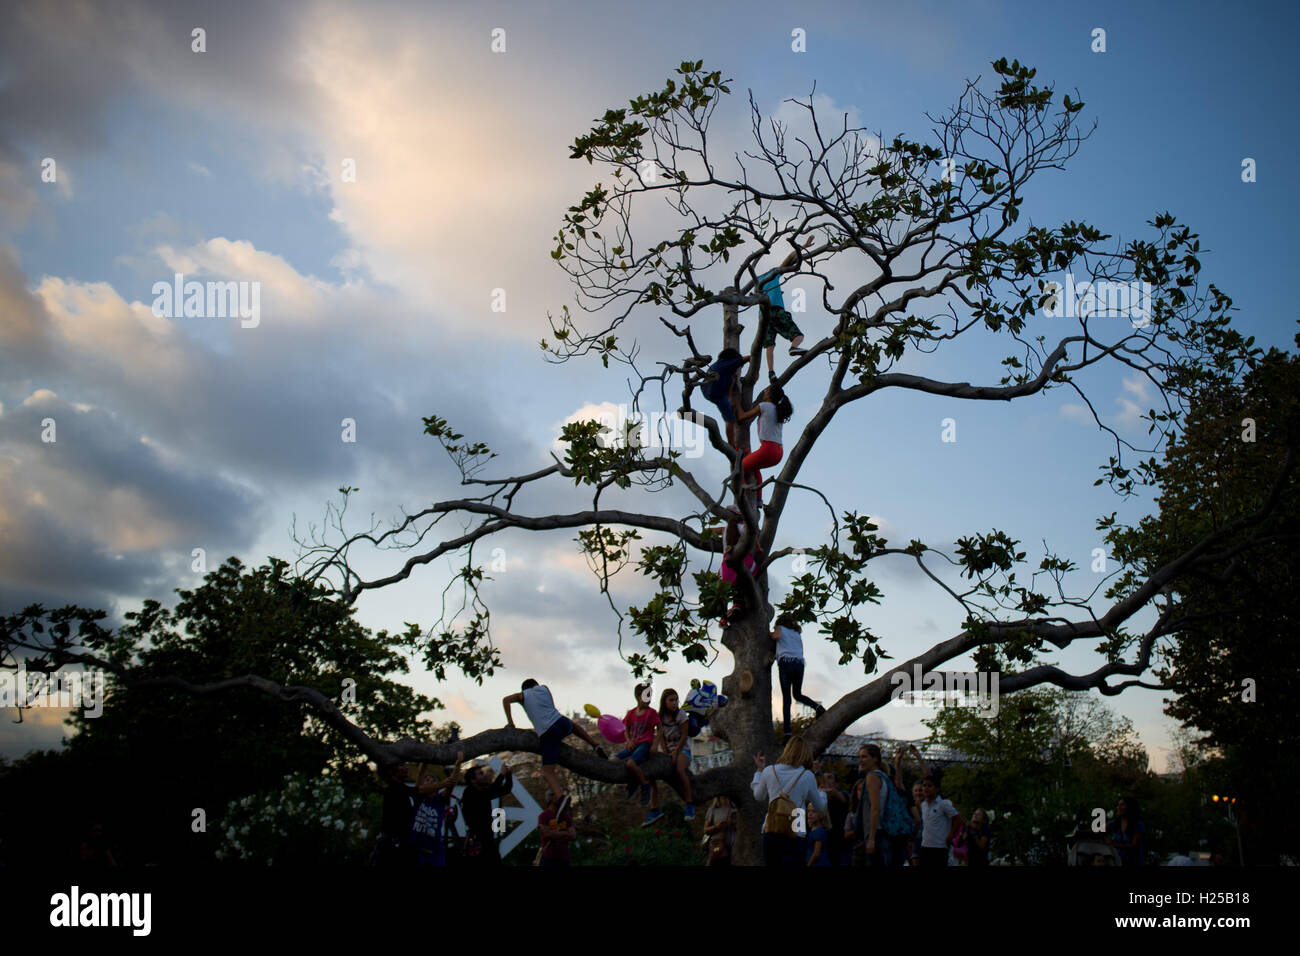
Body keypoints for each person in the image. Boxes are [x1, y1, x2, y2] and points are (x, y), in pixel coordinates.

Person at [503, 678, 607, 802]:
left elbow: (506, 700)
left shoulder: (523, 695)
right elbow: (545, 709)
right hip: (561, 723)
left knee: (548, 771)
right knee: (574, 726)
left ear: (525, 689)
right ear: (536, 685)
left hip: (548, 732)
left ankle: (560, 796)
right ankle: (595, 744)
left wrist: (510, 722)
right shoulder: (545, 688)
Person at [751, 735, 826, 867]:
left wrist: (759, 771)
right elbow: (819, 807)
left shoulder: (769, 771)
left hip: (771, 828)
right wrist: (822, 792)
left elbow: (758, 796)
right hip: (796, 830)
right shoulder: (807, 776)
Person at [845, 743, 903, 866]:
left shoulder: (872, 777)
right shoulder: (884, 777)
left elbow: (875, 808)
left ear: (875, 758)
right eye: (859, 757)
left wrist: (871, 839)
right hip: (886, 833)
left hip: (876, 833)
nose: (860, 760)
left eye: (864, 757)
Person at [735, 383, 793, 504]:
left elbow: (741, 417)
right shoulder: (777, 410)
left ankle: (742, 499)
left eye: (766, 390)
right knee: (755, 469)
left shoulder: (765, 406)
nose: (764, 392)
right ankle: (758, 499)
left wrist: (737, 401)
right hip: (778, 452)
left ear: (770, 395)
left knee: (739, 468)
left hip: (768, 449)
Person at [768, 614, 824, 738]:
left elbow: (776, 636)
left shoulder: (780, 628)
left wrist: (769, 635)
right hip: (799, 664)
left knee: (787, 699)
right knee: (797, 694)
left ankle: (787, 733)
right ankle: (817, 707)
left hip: (786, 663)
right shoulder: (797, 634)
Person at [649, 688, 695, 824]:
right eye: (671, 700)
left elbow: (684, 736)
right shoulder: (660, 717)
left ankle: (689, 803)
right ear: (664, 702)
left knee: (679, 770)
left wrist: (675, 752)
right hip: (668, 750)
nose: (674, 703)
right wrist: (665, 752)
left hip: (682, 750)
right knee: (652, 771)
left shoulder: (681, 715)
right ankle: (654, 807)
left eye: (676, 700)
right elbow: (661, 736)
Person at [410, 754, 463, 867]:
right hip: (418, 851)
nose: (429, 781)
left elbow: (451, 784)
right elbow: (421, 773)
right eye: (427, 779)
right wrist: (426, 755)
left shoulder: (439, 800)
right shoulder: (419, 797)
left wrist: (458, 765)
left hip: (436, 851)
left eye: (433, 780)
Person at [617, 683, 661, 816]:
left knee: (631, 763)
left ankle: (644, 785)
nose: (648, 699)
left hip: (644, 744)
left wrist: (654, 745)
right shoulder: (631, 713)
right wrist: (629, 741)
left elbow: (660, 730)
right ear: (637, 696)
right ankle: (633, 783)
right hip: (633, 744)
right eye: (645, 696)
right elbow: (626, 729)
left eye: (650, 696)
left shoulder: (651, 713)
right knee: (615, 760)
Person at [459, 762, 514, 866]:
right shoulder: (470, 793)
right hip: (478, 841)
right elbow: (491, 791)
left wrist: (508, 776)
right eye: (480, 773)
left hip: (488, 839)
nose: (484, 775)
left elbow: (505, 789)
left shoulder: (484, 790)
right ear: (473, 780)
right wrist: (502, 774)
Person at [699, 347, 751, 449]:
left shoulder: (719, 365)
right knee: (730, 420)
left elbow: (731, 382)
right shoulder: (729, 362)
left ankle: (728, 402)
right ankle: (732, 446)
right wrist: (754, 370)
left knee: (732, 378)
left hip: (708, 389)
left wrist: (729, 398)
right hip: (715, 392)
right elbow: (748, 357)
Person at [757, 269, 806, 376]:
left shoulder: (758, 281)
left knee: (769, 346)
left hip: (763, 317)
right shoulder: (774, 274)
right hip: (776, 310)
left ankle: (771, 372)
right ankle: (794, 347)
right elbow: (788, 261)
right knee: (799, 336)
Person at [375, 761, 418, 867]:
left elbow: (417, 791)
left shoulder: (403, 788)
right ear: (392, 770)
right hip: (394, 845)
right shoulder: (393, 790)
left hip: (403, 843)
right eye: (402, 765)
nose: (406, 767)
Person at [918, 775, 963, 867]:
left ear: (937, 789)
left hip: (939, 846)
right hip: (925, 845)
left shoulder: (943, 804)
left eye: (929, 786)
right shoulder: (923, 805)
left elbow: (958, 819)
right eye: (924, 785)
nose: (926, 788)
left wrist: (951, 835)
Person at [819, 771, 850, 866]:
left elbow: (842, 798)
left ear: (837, 783)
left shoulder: (843, 794)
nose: (825, 780)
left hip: (838, 839)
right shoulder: (820, 796)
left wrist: (827, 791)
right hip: (822, 839)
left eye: (829, 777)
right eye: (824, 778)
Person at [538, 791, 576, 867]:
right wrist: (565, 833)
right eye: (558, 795)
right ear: (551, 798)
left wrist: (555, 834)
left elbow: (573, 835)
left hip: (564, 858)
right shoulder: (543, 816)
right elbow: (546, 833)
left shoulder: (566, 816)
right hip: (548, 858)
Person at [1109, 796, 1146, 867]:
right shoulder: (1116, 822)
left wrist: (1113, 844)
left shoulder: (1138, 824)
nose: (1118, 807)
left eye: (1122, 805)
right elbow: (1098, 830)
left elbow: (1134, 845)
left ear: (1130, 807)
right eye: (1118, 805)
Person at [703, 795, 738, 866]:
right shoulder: (713, 810)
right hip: (716, 844)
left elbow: (740, 828)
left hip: (731, 847)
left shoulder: (734, 809)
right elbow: (705, 830)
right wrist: (717, 826)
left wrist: (732, 823)